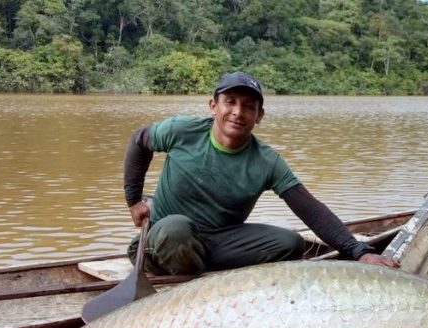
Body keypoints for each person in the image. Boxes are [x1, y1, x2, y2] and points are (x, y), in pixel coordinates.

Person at [122, 71, 398, 274]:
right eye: (230, 102)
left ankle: (200, 272)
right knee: (176, 229)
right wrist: (134, 200)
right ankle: (185, 276)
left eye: (248, 106)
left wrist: (358, 251)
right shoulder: (182, 131)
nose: (237, 112)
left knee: (290, 243)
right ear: (213, 106)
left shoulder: (266, 161)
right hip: (164, 238)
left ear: (259, 115)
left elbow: (311, 210)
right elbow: (138, 141)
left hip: (219, 243)